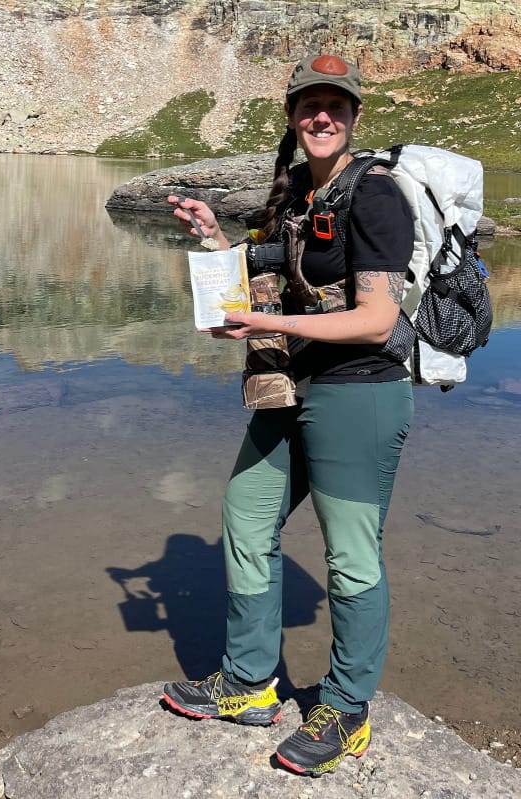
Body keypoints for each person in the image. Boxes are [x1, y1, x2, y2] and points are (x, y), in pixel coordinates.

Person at [161, 54, 415, 778]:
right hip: (293, 388)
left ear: (355, 116)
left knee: (350, 556)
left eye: (335, 105)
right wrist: (215, 239)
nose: (321, 117)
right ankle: (249, 682)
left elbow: (376, 319)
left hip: (359, 391)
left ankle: (347, 707)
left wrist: (272, 320)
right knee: (245, 513)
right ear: (294, 116)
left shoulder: (376, 195)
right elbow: (261, 279)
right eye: (309, 105)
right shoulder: (300, 194)